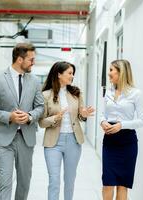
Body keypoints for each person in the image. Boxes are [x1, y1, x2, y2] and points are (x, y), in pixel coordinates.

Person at [0, 43, 44, 200]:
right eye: (31, 59)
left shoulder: (35, 81)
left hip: (26, 138)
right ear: (19, 59)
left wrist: (30, 116)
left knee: (24, 181)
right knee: (4, 181)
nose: (33, 63)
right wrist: (9, 116)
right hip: (4, 139)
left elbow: (40, 107)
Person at [38, 61, 94, 200]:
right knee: (54, 181)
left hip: (74, 142)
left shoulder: (76, 93)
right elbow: (41, 122)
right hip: (53, 143)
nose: (72, 76)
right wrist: (55, 118)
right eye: (69, 73)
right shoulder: (45, 95)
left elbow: (80, 115)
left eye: (72, 73)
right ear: (59, 74)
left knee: (70, 181)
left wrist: (84, 115)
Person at [100, 59, 143, 200]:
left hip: (127, 142)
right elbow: (103, 113)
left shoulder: (136, 93)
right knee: (107, 183)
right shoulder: (109, 92)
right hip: (109, 142)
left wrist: (122, 125)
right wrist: (102, 122)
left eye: (111, 70)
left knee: (122, 184)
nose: (109, 73)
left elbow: (142, 120)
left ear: (121, 72)